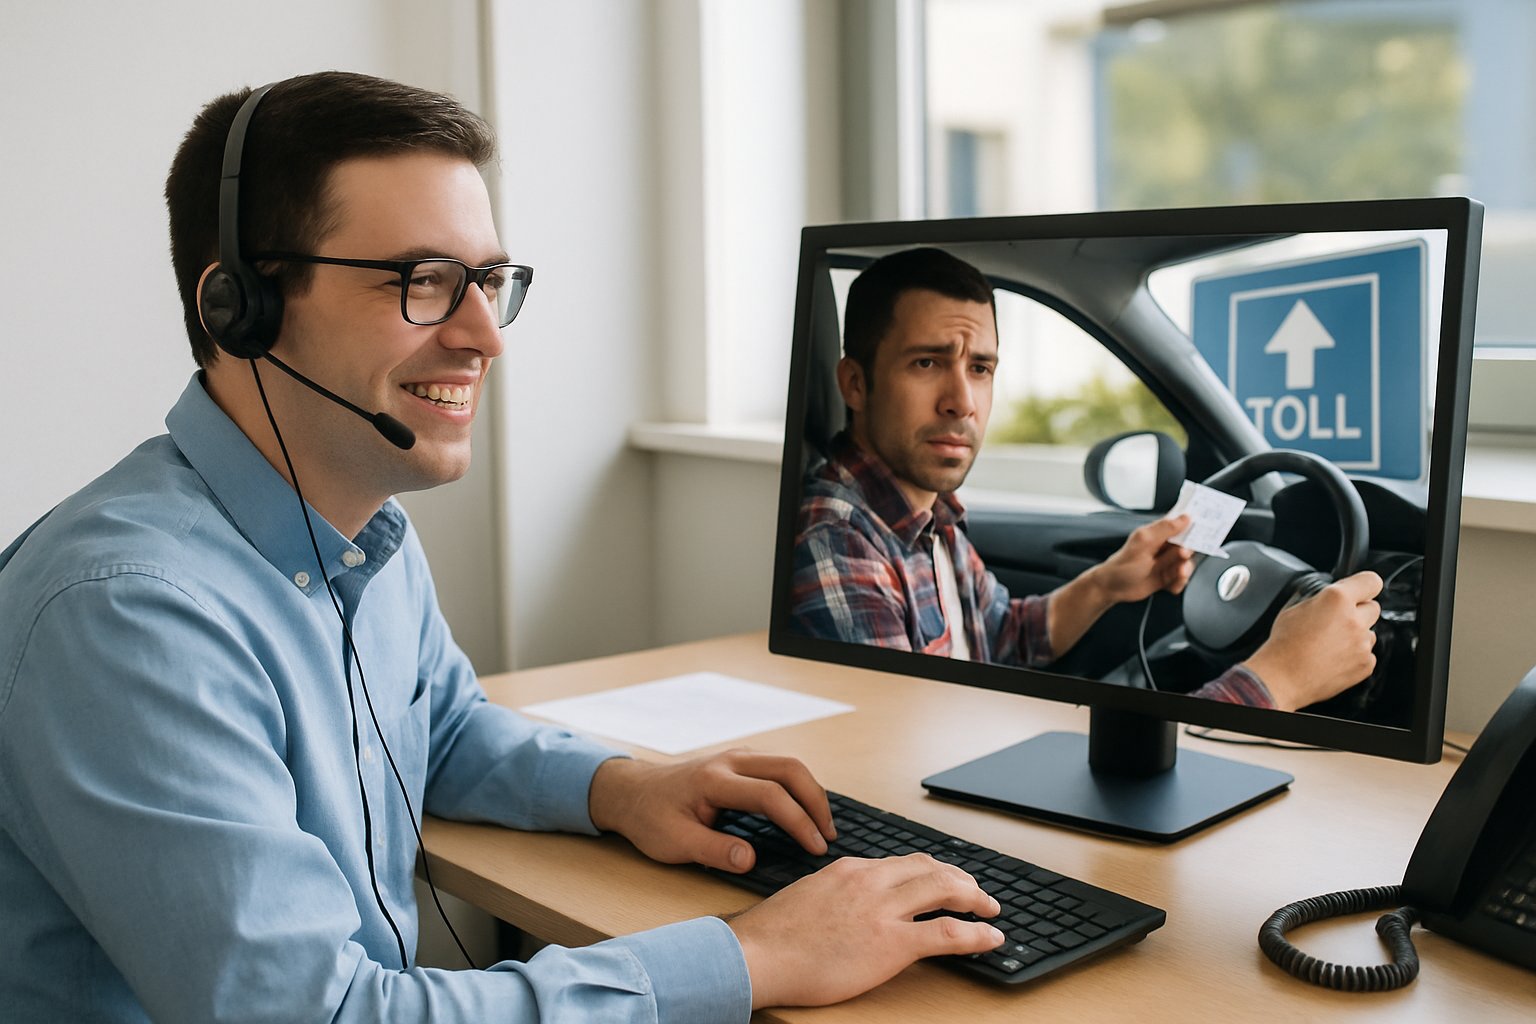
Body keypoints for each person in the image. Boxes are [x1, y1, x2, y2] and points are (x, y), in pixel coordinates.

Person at [0, 74, 1007, 1024]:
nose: (486, 335)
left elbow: (438, 730)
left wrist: (626, 787)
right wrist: (753, 957)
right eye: (426, 281)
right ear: (243, 310)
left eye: (488, 280)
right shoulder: (127, 614)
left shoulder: (365, 534)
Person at [790, 247, 1383, 713]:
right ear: (856, 385)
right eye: (927, 363)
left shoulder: (926, 515)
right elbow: (900, 759)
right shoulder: (838, 540)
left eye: (980, 368)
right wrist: (1279, 679)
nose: (962, 402)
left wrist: (1105, 584)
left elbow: (999, 638)